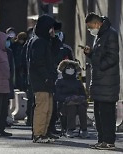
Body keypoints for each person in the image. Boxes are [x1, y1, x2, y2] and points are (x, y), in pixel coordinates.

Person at [83, 12, 120, 150]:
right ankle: (102, 140)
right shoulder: (100, 36)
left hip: (107, 82)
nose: (89, 30)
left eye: (90, 27)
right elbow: (99, 56)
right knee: (98, 114)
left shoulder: (110, 34)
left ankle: (109, 141)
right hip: (100, 82)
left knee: (106, 114)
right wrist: (91, 54)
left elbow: (112, 57)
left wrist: (98, 65)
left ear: (97, 23)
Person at [28, 14, 57, 143]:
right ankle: (38, 134)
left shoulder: (43, 41)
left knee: (48, 108)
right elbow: (38, 62)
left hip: (46, 80)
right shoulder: (39, 41)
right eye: (51, 28)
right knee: (42, 107)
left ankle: (43, 133)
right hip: (41, 80)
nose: (52, 31)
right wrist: (46, 76)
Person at [55, 60, 89, 138]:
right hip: (64, 104)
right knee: (72, 107)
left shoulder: (77, 82)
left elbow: (84, 94)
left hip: (78, 103)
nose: (70, 69)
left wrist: (80, 98)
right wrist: (67, 98)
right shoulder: (60, 82)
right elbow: (57, 96)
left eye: (72, 68)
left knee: (81, 108)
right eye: (68, 68)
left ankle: (84, 130)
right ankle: (70, 129)